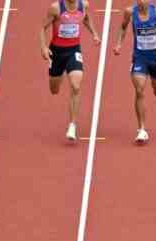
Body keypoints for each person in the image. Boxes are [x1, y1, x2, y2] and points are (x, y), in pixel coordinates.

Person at [40, 0, 101, 141]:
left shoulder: (83, 5)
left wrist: (94, 33)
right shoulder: (56, 8)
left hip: (73, 50)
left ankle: (72, 125)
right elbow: (43, 28)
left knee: (76, 85)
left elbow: (86, 18)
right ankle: (58, 73)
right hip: (56, 52)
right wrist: (43, 48)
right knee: (54, 90)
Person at [113, 0, 156, 143]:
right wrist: (118, 44)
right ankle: (142, 129)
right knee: (139, 90)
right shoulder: (130, 12)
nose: (140, 2)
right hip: (140, 57)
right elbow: (122, 27)